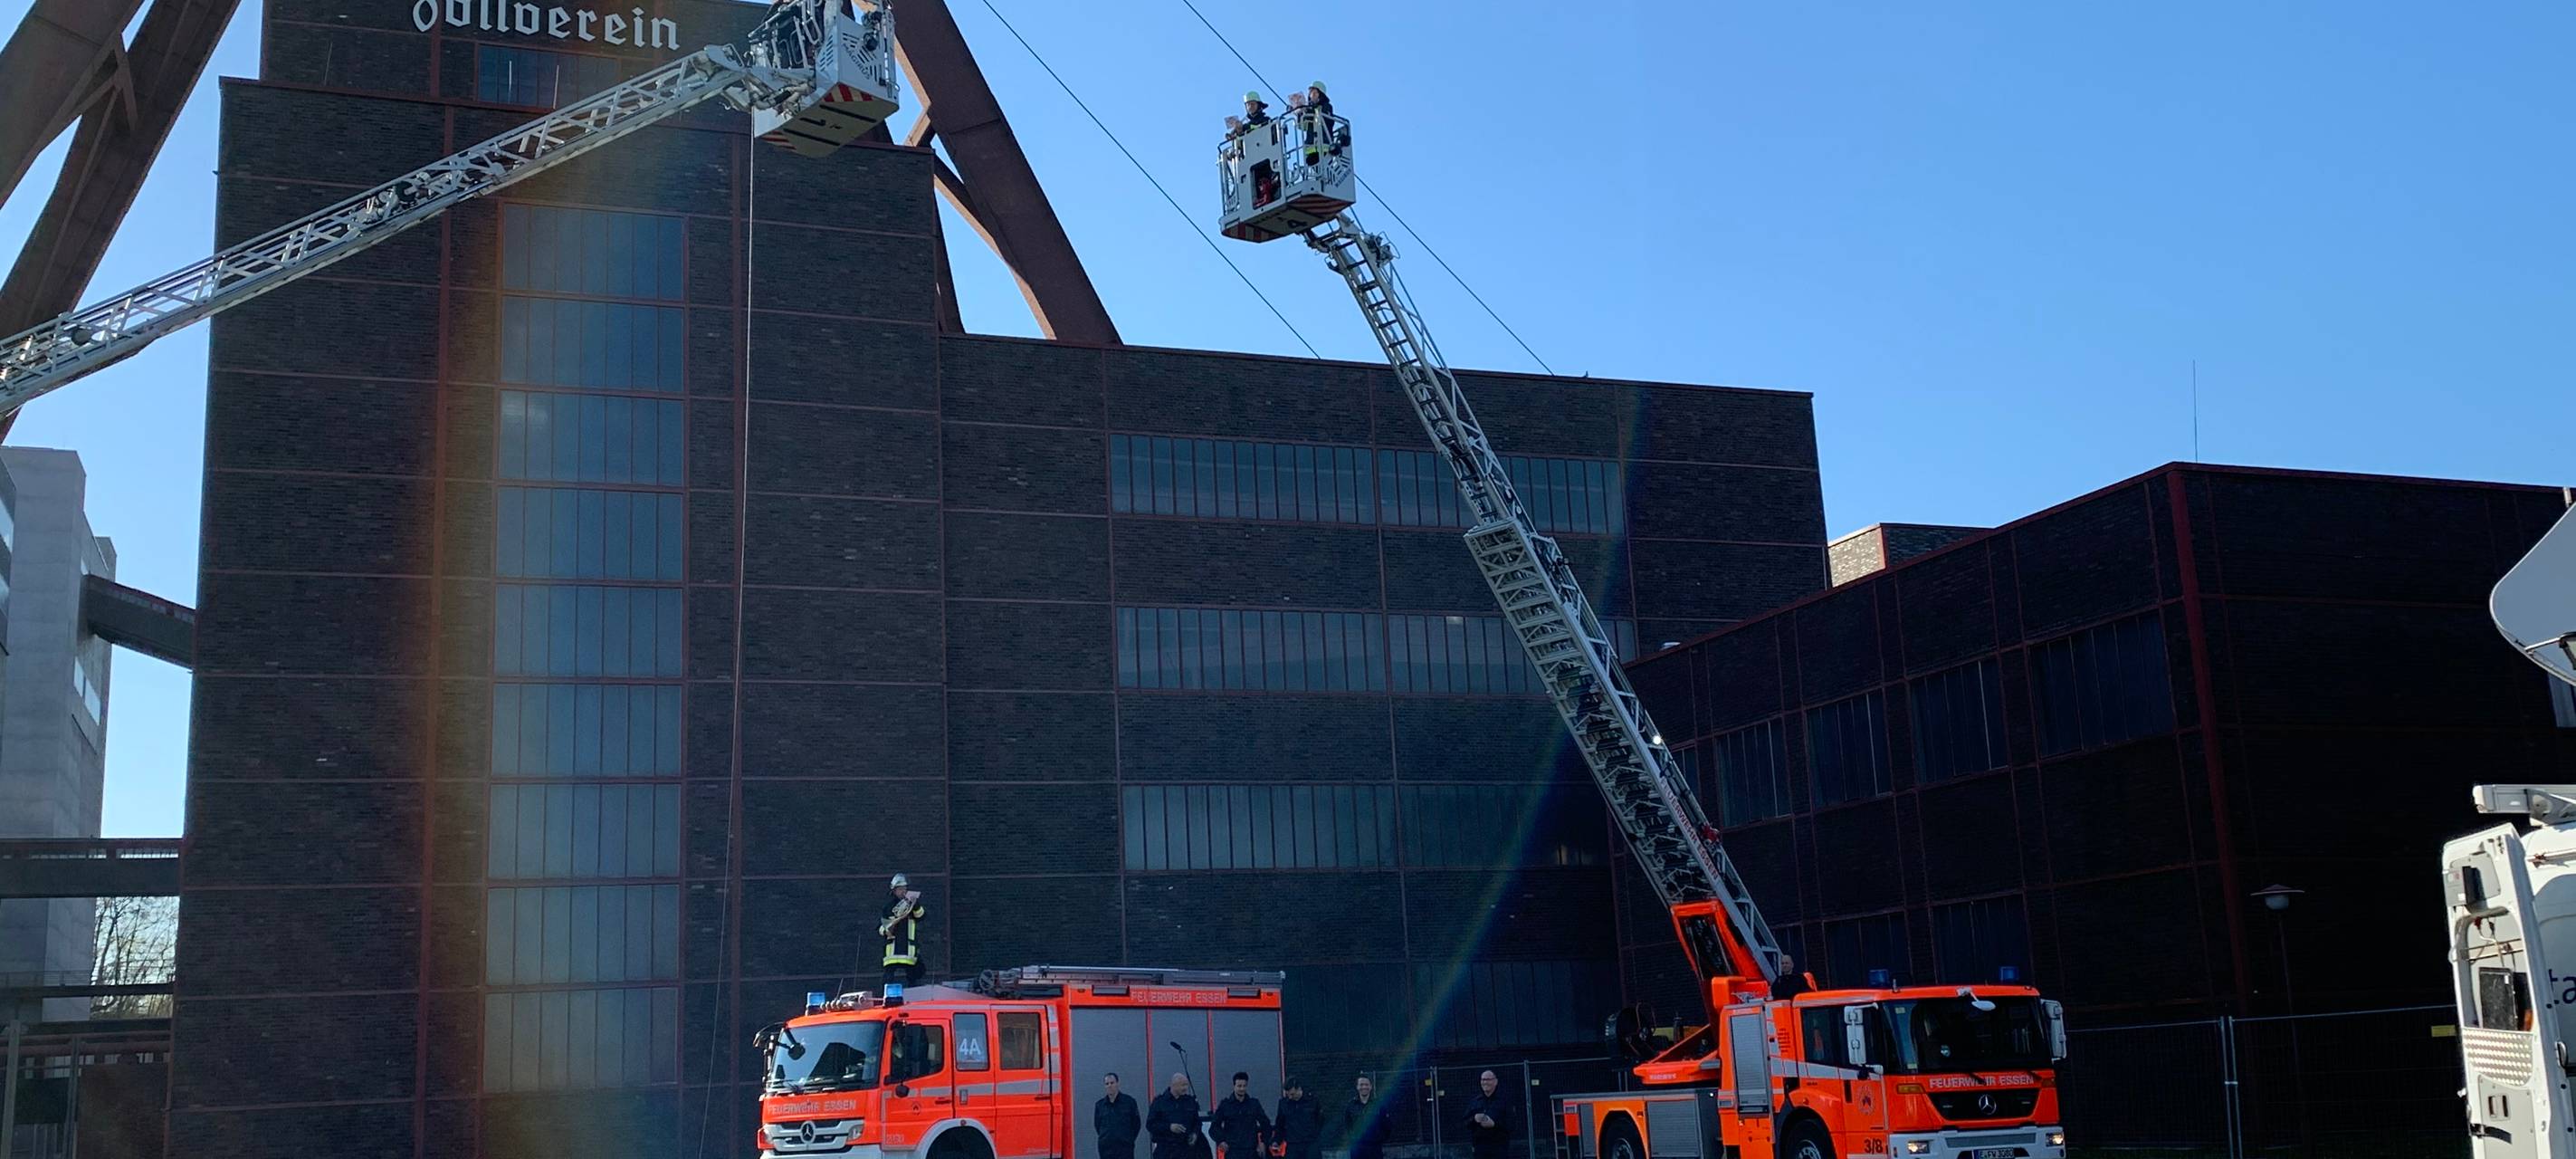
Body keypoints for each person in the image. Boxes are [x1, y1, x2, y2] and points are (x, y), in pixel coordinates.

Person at [879, 873, 926, 1003]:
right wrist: (888, 929)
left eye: (905, 889)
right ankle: (887, 1000)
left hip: (909, 950)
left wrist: (915, 905)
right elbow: (881, 928)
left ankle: (914, 1000)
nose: (903, 892)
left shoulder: (912, 905)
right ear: (894, 890)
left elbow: (921, 916)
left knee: (913, 977)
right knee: (888, 978)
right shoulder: (888, 908)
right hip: (892, 951)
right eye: (900, 889)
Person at [1210, 1072, 1271, 1159]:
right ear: (1234, 1086)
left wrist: (1263, 1142)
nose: (1242, 1089)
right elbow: (1214, 1127)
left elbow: (1266, 1124)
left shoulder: (1254, 1104)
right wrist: (1221, 1141)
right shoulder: (1225, 1105)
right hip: (1233, 1152)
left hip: (1251, 1151)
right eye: (1239, 1086)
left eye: (1244, 1086)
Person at [1149, 1072, 1204, 1159]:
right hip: (1165, 1150)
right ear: (1174, 1085)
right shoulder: (1159, 1102)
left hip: (1186, 1150)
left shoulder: (1190, 1102)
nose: (1186, 1088)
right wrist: (1169, 1127)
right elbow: (1150, 1125)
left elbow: (1197, 1122)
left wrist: (1195, 1134)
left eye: (1187, 1085)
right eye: (1183, 1085)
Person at [1271, 1078, 1323, 1159]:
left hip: (1310, 1144)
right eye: (1288, 1095)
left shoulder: (1312, 1101)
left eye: (1292, 1094)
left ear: (1299, 1089)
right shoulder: (1284, 1104)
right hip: (1293, 1145)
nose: (1290, 1097)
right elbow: (1280, 1125)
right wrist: (1276, 1141)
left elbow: (1320, 1120)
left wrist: (1315, 1135)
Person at [1463, 1070, 1511, 1159]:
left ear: (1495, 1081)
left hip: (1499, 1148)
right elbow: (1466, 1122)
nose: (1485, 1082)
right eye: (1483, 1080)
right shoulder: (1475, 1102)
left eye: (1488, 1080)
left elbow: (1511, 1123)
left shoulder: (1504, 1101)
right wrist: (1474, 1119)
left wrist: (1494, 1124)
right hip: (1480, 1148)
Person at [1339, 1075, 1388, 1159]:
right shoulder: (1351, 1106)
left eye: (1366, 1084)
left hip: (1375, 1148)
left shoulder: (1378, 1105)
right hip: (1357, 1148)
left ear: (1371, 1087)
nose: (1364, 1087)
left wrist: (1378, 1138)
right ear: (1357, 1087)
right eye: (1361, 1085)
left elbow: (1386, 1125)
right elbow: (1347, 1125)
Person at [1098, 1073, 1144, 1159]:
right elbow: (1097, 1125)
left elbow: (1136, 1124)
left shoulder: (1129, 1102)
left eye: (1112, 1083)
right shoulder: (1100, 1105)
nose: (1109, 1086)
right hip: (1106, 1148)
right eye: (1107, 1084)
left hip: (1125, 1148)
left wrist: (1128, 1139)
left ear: (1118, 1083)